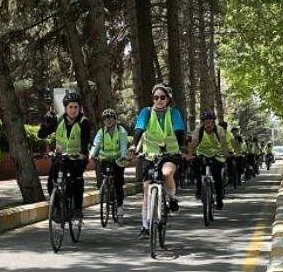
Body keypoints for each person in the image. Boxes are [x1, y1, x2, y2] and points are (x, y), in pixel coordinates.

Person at [128, 82, 188, 239]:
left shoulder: (173, 112)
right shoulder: (146, 112)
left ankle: (172, 198)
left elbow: (179, 130)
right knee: (147, 188)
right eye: (155, 98)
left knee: (167, 172)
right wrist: (134, 146)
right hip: (150, 154)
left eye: (162, 97)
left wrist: (181, 147)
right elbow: (139, 129)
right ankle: (145, 226)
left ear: (168, 99)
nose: (159, 100)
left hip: (170, 153)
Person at [38, 92, 92, 217]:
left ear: (80, 108)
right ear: (65, 108)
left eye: (76, 107)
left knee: (76, 180)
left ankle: (78, 208)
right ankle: (57, 209)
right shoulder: (58, 119)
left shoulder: (84, 122)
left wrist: (83, 153)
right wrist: (46, 123)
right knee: (52, 182)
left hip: (77, 158)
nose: (73, 110)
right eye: (70, 107)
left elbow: (85, 140)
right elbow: (41, 135)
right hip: (61, 157)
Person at [91, 108, 129, 220]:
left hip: (118, 160)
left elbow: (123, 146)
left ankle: (120, 206)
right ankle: (106, 192)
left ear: (115, 119)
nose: (108, 121)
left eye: (111, 118)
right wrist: (92, 154)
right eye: (106, 119)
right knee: (105, 176)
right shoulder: (101, 132)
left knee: (118, 184)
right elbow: (96, 144)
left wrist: (123, 158)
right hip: (104, 160)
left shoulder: (121, 131)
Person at [191, 110, 226, 210]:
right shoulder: (198, 130)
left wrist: (226, 154)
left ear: (214, 122)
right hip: (201, 154)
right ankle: (199, 189)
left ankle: (219, 198)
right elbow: (193, 144)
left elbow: (223, 143)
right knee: (197, 170)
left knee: (217, 176)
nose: (208, 124)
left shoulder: (219, 130)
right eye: (205, 122)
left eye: (210, 121)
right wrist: (190, 155)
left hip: (217, 154)